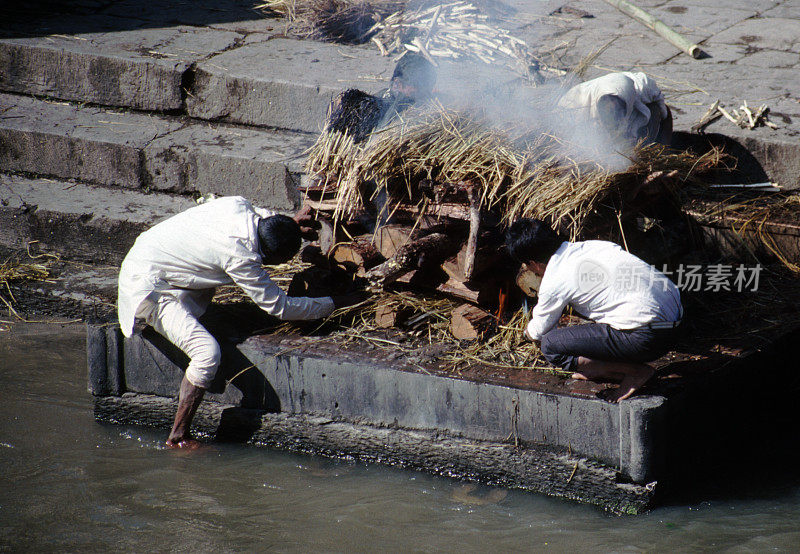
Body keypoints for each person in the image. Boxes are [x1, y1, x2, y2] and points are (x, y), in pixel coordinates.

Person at [117, 196, 363, 448]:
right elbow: (280, 307)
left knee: (206, 300)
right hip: (147, 286)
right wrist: (337, 302)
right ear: (269, 258)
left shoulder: (238, 205)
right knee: (207, 354)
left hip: (155, 255)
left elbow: (270, 221)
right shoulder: (240, 257)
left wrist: (289, 224)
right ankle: (178, 436)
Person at [505, 219, 683, 402]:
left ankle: (631, 372)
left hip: (650, 339)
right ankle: (609, 366)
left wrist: (525, 333)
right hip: (678, 323)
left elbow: (539, 331)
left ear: (533, 263)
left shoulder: (554, 279)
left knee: (551, 345)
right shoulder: (594, 246)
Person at [557, 71, 672, 146]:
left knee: (654, 110)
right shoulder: (573, 105)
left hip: (634, 111)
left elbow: (665, 113)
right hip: (585, 134)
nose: (615, 113)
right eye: (609, 113)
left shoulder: (641, 86)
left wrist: (663, 145)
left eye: (619, 110)